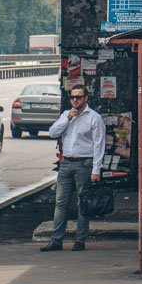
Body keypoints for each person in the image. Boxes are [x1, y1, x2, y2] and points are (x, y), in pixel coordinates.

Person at [41, 85, 106, 252]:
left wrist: (96, 170)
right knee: (60, 202)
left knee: (82, 203)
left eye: (78, 97)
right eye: (72, 97)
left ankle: (80, 240)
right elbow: (52, 133)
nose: (75, 100)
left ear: (86, 98)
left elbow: (99, 144)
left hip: (84, 163)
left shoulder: (94, 118)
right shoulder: (66, 115)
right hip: (66, 163)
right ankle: (56, 240)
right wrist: (67, 118)